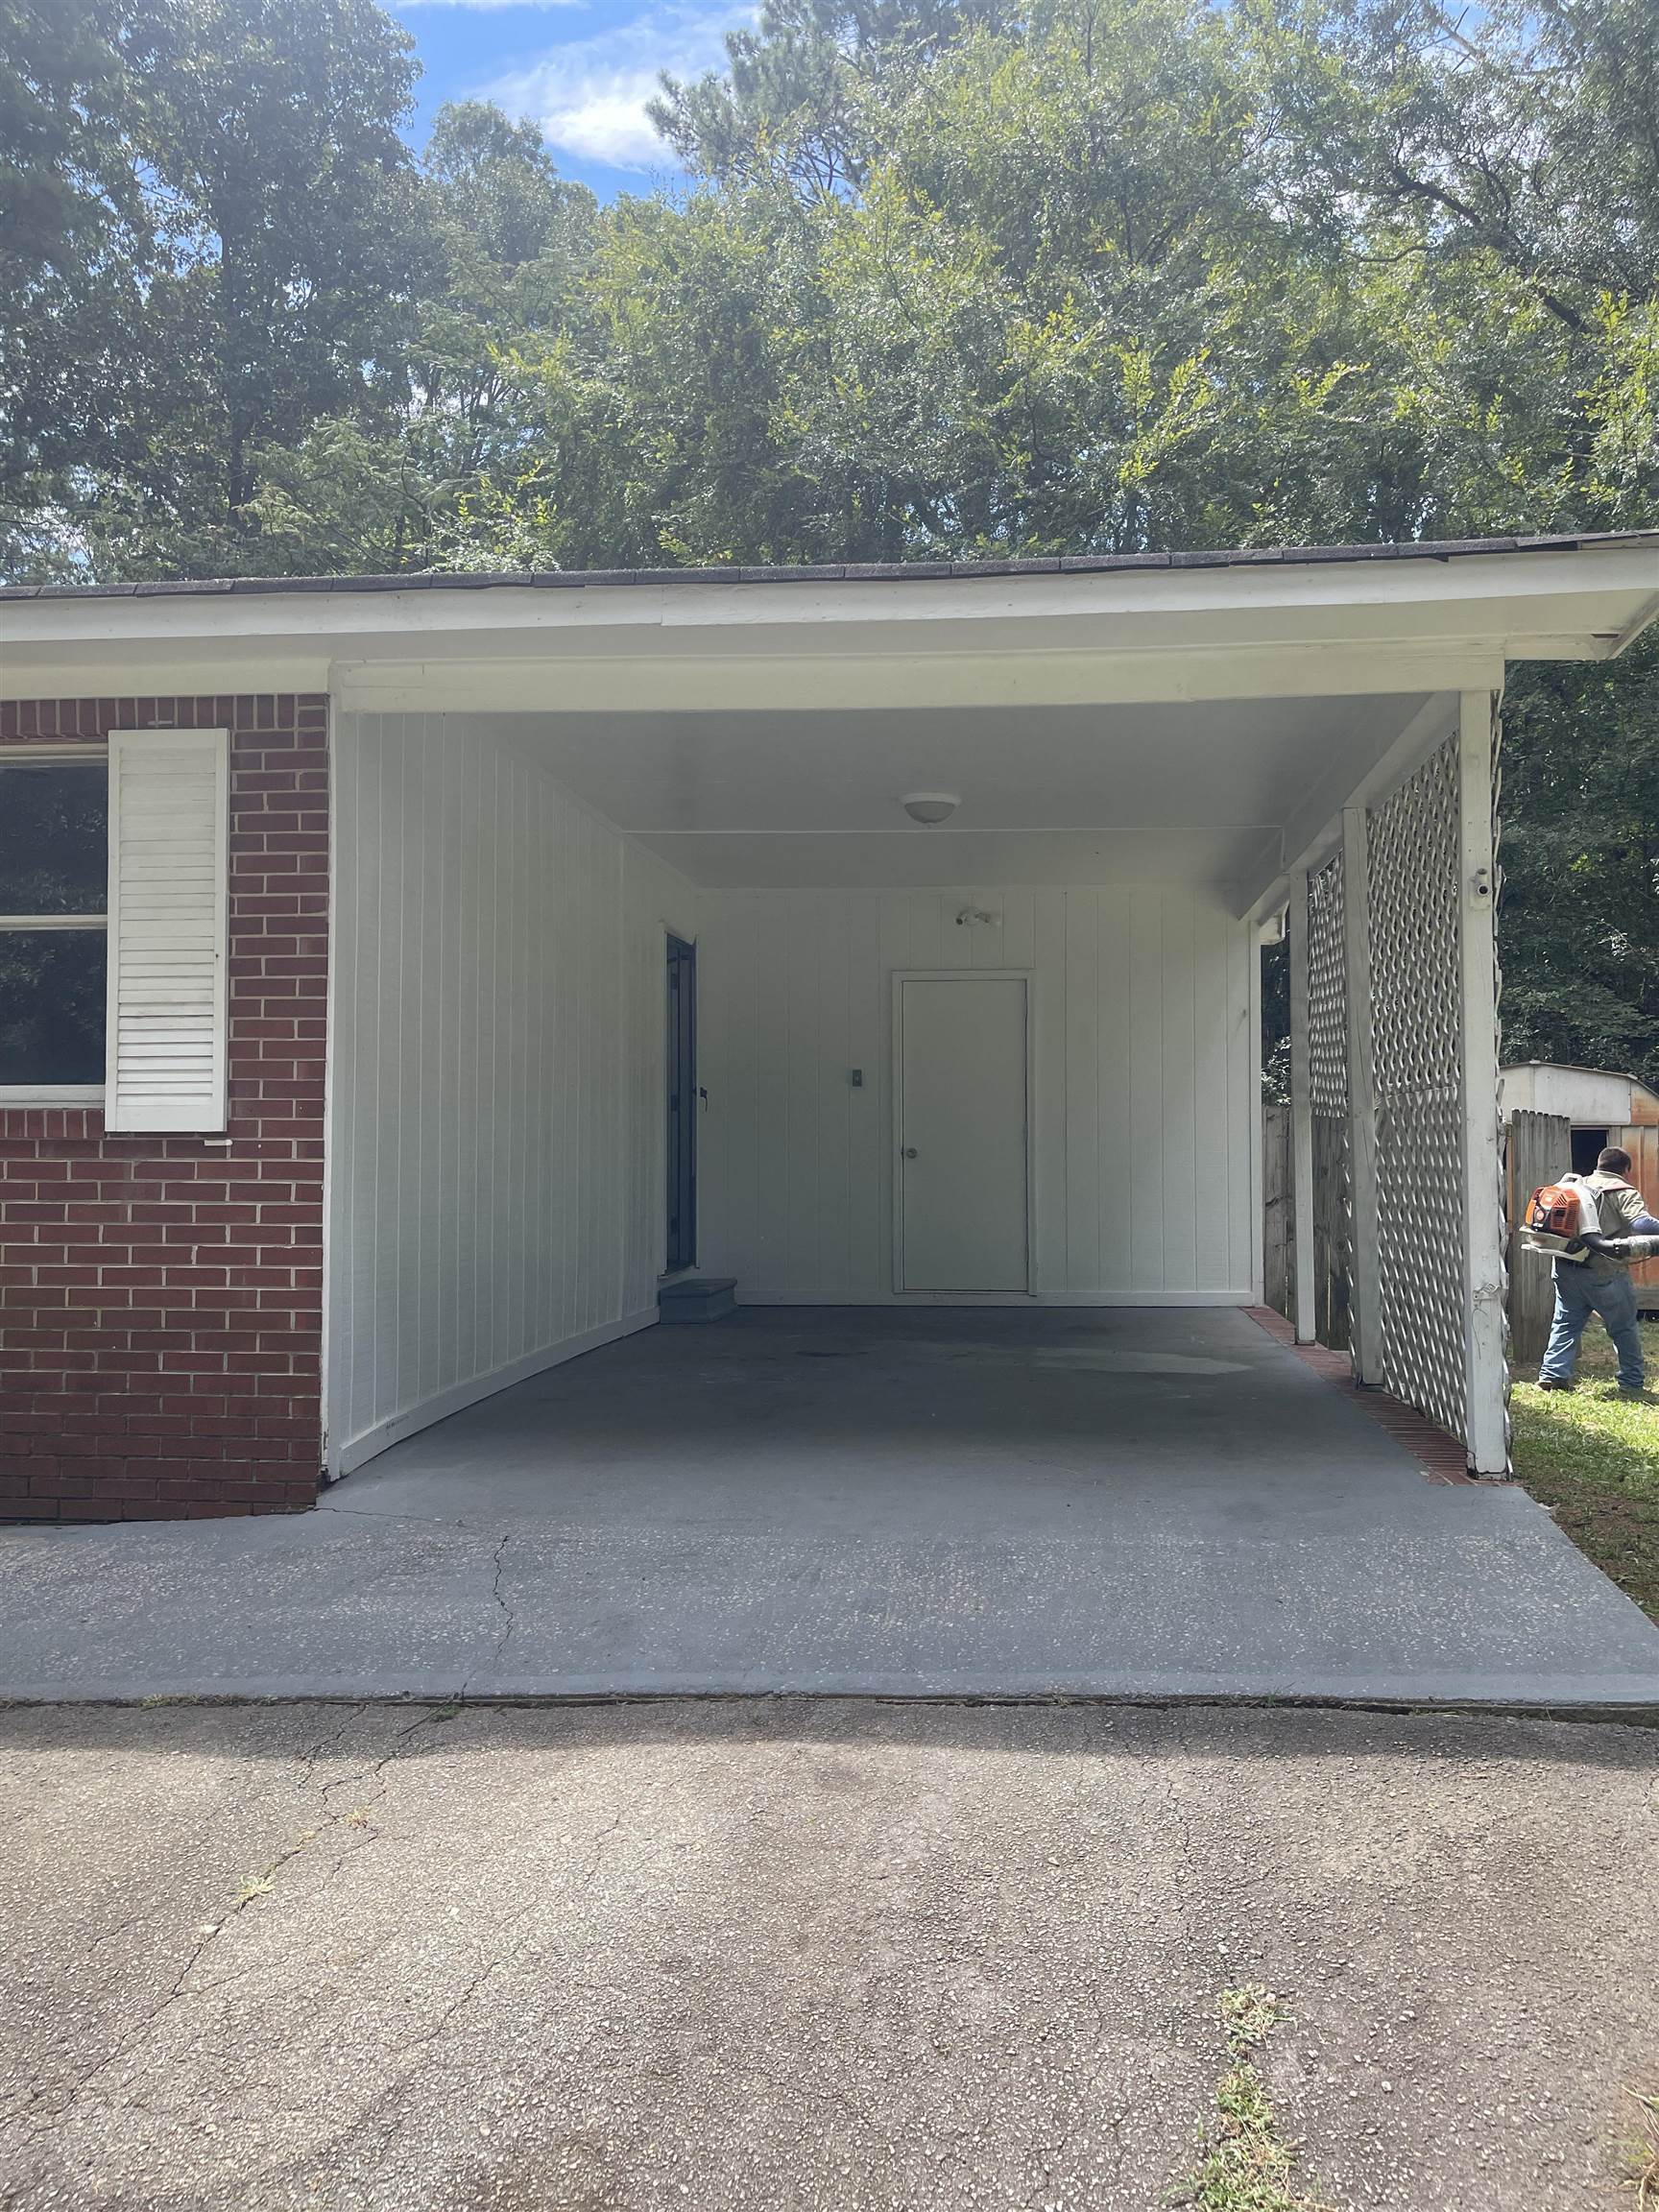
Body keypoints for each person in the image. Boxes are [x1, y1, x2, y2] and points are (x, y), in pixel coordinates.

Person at [1538, 1146, 1659, 1395]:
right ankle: (1632, 1383)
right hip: (1604, 1272)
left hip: (1565, 1268)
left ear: (1599, 1164)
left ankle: (1553, 1375)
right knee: (1623, 1327)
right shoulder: (1622, 1190)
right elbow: (1641, 1223)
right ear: (1626, 1170)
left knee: (1565, 1322)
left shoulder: (1574, 1186)